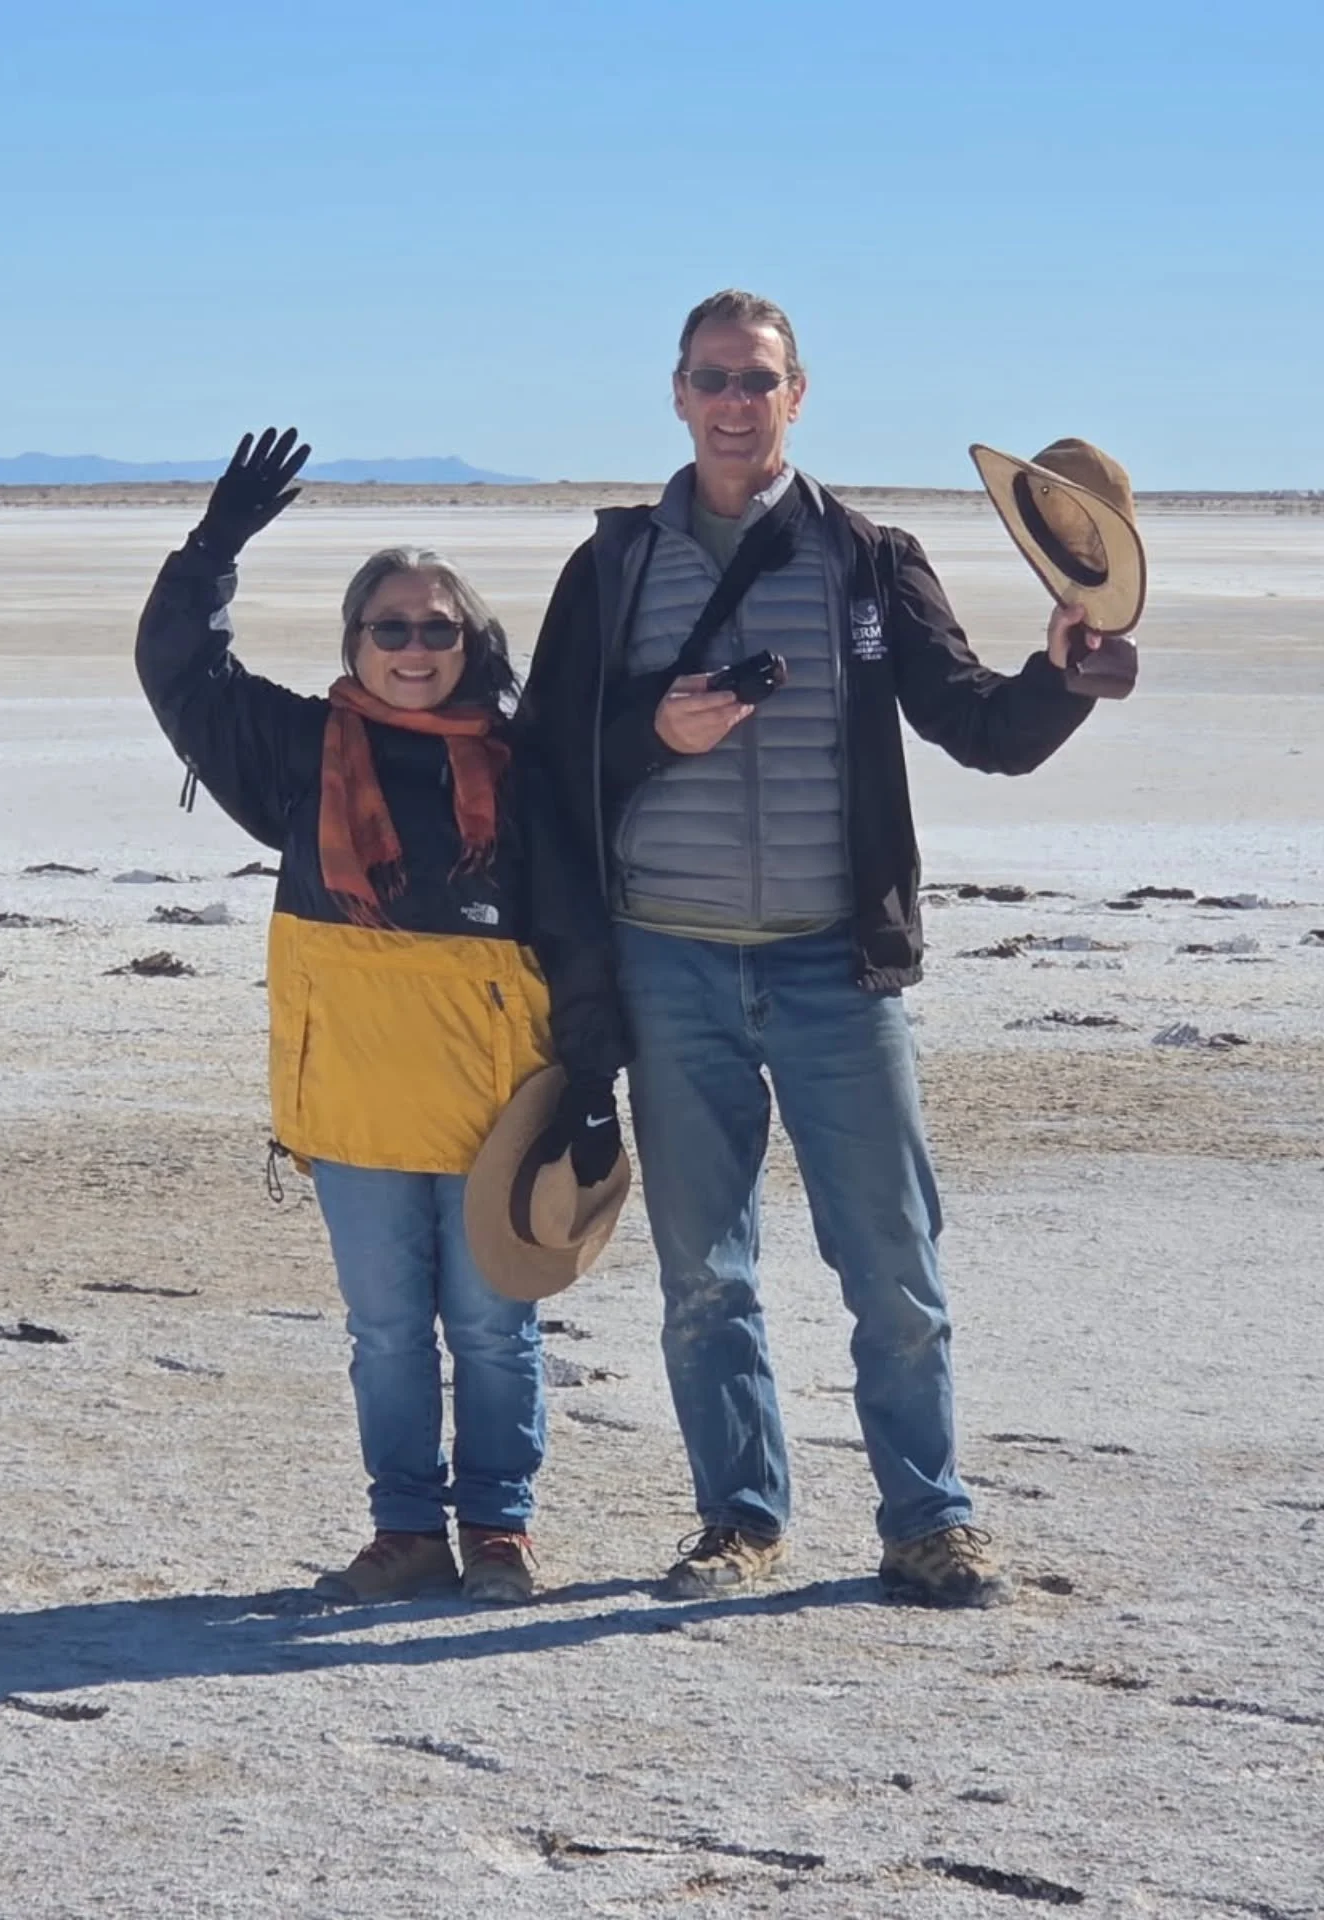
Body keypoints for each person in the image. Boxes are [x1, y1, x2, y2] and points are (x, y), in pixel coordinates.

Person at [518, 291, 1113, 1608]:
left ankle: (930, 1519)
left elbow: (978, 723)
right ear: (678, 394)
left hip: (837, 971)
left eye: (760, 381)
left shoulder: (865, 557)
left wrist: (1063, 674)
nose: (737, 402)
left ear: (799, 398)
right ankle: (741, 1521)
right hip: (669, 962)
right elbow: (549, 768)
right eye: (714, 379)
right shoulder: (612, 568)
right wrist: (649, 736)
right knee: (704, 1276)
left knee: (894, 1261)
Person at [136, 429, 629, 1606]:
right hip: (354, 1097)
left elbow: (576, 937)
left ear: (474, 644)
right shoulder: (301, 752)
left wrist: (597, 1090)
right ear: (356, 642)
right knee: (391, 1334)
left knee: (496, 1329)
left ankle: (499, 1531)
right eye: (390, 628)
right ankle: (407, 1531)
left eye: (437, 628)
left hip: (499, 1106)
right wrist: (213, 552)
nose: (414, 649)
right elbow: (178, 673)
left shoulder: (524, 770)